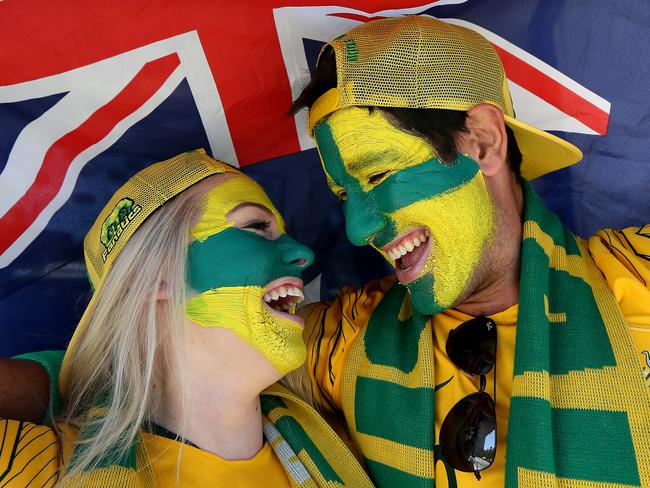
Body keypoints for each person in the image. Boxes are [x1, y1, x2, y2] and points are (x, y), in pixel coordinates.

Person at [289, 16, 650, 488]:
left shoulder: (637, 276)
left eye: (378, 176)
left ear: (483, 142)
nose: (359, 231)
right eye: (344, 195)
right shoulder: (344, 340)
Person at [0, 149, 373, 487]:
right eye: (258, 227)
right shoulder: (36, 470)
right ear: (156, 276)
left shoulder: (359, 440)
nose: (303, 254)